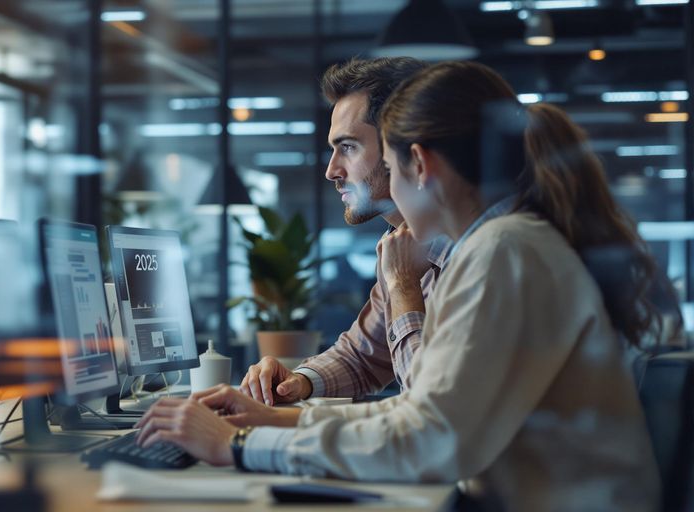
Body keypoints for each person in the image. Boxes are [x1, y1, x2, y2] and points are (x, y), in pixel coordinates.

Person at [135, 61, 661, 510]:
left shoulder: (506, 252)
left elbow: (431, 434)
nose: (334, 172)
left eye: (385, 163)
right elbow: (427, 412)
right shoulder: (506, 243)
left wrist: (243, 444)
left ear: (421, 166)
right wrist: (277, 420)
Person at [242, 56, 444, 407]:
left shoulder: (475, 249)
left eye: (348, 147)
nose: (332, 170)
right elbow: (364, 356)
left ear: (404, 148)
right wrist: (299, 381)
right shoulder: (400, 244)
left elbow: (432, 410)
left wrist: (403, 284)